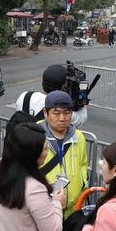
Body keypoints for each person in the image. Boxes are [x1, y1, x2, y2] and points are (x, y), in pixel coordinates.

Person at [39, 90, 88, 219]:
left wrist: (83, 184)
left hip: (73, 210)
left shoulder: (79, 136)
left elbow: (83, 164)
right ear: (45, 112)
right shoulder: (35, 136)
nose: (62, 118)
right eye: (56, 113)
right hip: (43, 209)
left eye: (67, 113)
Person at [16, 64, 88, 128]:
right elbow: (80, 119)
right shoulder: (61, 110)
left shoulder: (24, 96)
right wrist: (84, 104)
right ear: (63, 87)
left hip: (21, 140)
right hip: (44, 142)